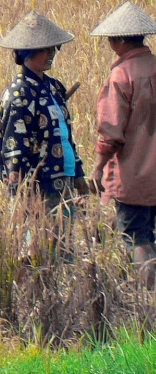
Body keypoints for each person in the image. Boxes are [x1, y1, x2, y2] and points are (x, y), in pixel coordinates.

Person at [90, 1, 156, 290]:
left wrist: (98, 167)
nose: (111, 44)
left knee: (137, 238)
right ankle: (155, 291)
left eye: (111, 39)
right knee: (146, 231)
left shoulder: (120, 76)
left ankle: (153, 298)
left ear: (120, 40)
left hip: (132, 177)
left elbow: (111, 132)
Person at [0, 11, 88, 250]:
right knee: (40, 248)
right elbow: (13, 146)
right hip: (39, 182)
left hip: (63, 176)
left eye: (53, 49)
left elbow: (66, 135)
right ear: (27, 53)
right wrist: (19, 189)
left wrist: (78, 171)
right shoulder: (18, 94)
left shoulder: (54, 87)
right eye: (45, 50)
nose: (51, 54)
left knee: (63, 244)